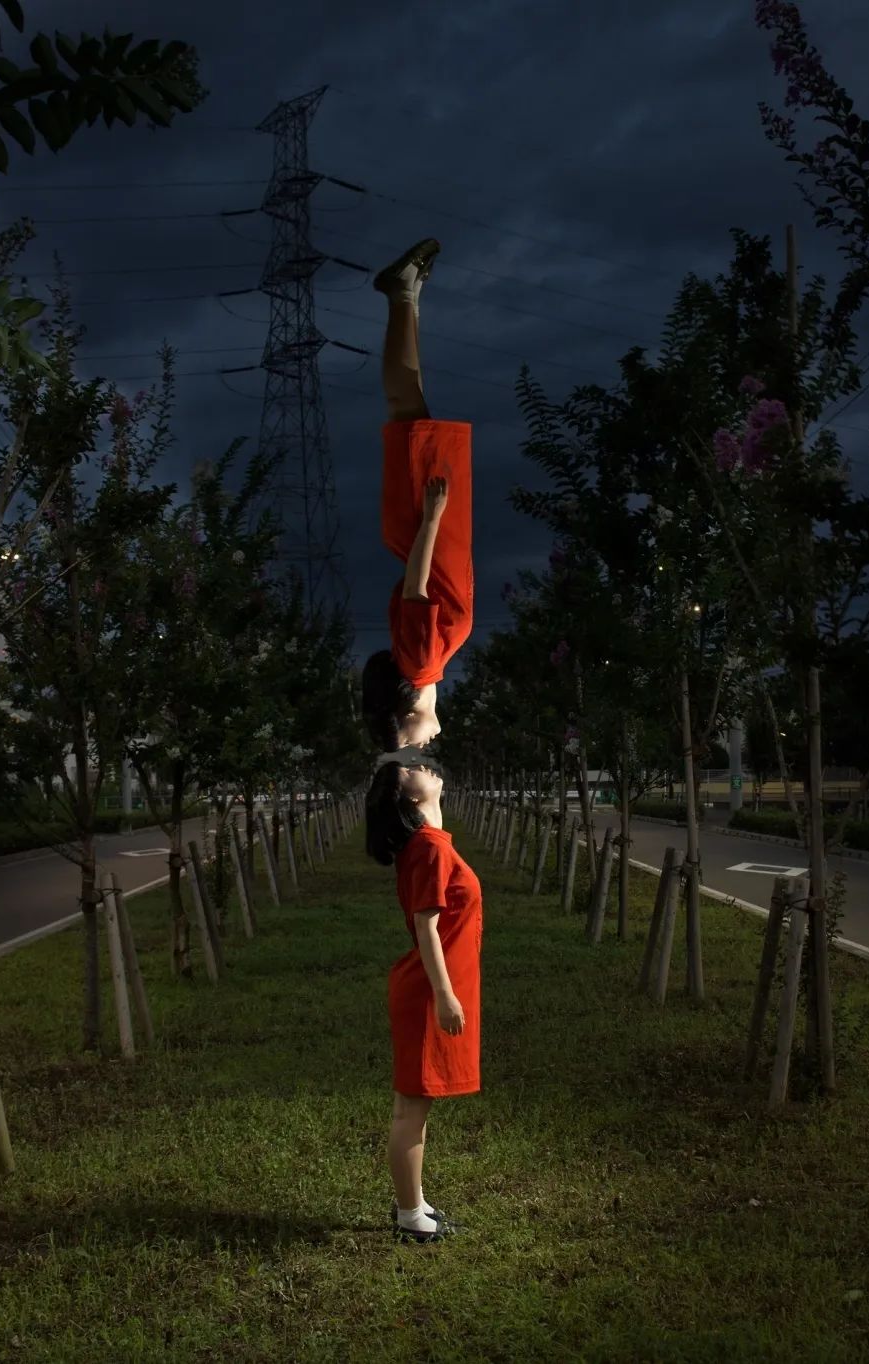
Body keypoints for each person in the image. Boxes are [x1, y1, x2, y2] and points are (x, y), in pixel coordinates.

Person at [366, 748, 483, 1244]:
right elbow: (425, 926)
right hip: (428, 992)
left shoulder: (432, 842)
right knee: (410, 1111)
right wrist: (445, 994)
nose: (423, 768)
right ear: (407, 794)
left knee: (415, 1108)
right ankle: (410, 1215)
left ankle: (415, 1203)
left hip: (429, 988)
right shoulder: (430, 847)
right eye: (411, 769)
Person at [362, 239, 474, 752]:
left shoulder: (421, 663)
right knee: (412, 404)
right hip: (430, 522)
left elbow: (416, 590)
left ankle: (402, 293)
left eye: (416, 740)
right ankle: (407, 294)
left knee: (406, 403)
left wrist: (431, 518)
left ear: (405, 716)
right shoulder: (430, 663)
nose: (432, 735)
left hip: (426, 518)